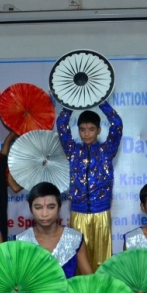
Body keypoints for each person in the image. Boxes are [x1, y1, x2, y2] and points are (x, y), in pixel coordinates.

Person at [56, 102, 122, 270]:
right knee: (79, 261)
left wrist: (101, 102)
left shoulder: (106, 150)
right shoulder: (72, 151)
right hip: (78, 213)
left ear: (99, 130)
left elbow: (117, 124)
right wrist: (69, 102)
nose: (86, 134)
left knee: (102, 261)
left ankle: (102, 287)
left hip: (101, 213)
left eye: (91, 129)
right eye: (82, 129)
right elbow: (62, 124)